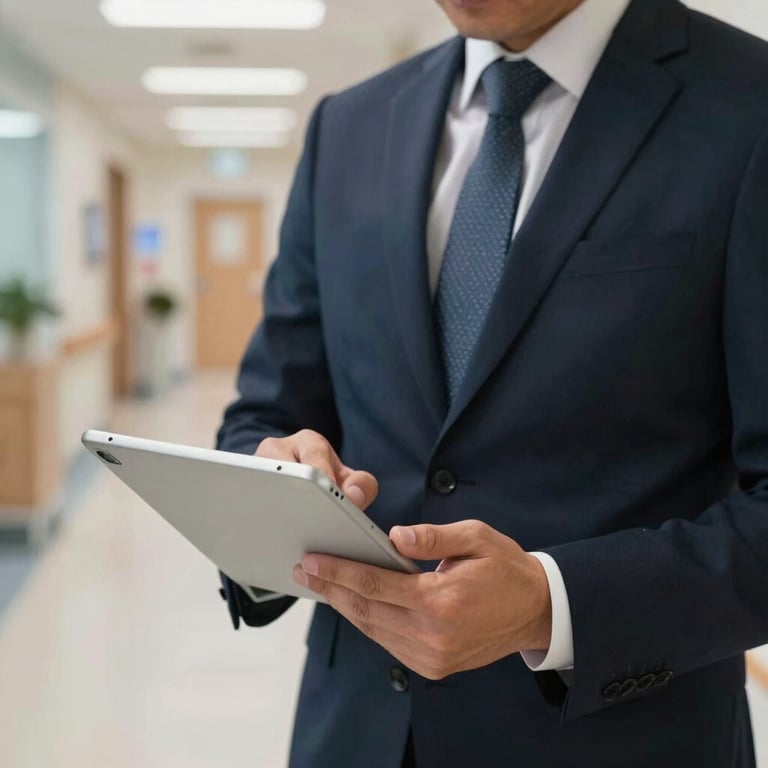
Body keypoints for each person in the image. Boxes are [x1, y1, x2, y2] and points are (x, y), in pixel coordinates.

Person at [215, 0, 768, 765]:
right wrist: (274, 483)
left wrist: (550, 605)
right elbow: (265, 414)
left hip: (621, 739)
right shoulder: (348, 127)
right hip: (355, 733)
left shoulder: (748, 105)